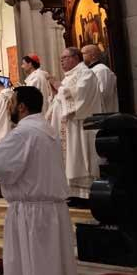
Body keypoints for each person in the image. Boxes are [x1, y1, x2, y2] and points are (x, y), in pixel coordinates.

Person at [0, 86, 86, 275]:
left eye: (12, 103)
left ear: (22, 107)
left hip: (31, 217)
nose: (8, 108)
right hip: (52, 213)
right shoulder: (47, 129)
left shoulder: (22, 133)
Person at [48, 47, 103, 203]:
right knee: (70, 159)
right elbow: (61, 98)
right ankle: (73, 193)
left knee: (78, 158)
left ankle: (85, 195)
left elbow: (79, 97)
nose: (61, 62)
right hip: (68, 126)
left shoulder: (86, 74)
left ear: (75, 58)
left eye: (64, 58)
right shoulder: (69, 77)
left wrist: (59, 87)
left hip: (79, 126)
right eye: (61, 59)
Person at [82, 44, 119, 113]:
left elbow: (103, 93)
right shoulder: (90, 70)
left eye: (83, 53)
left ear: (93, 56)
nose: (81, 57)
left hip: (105, 114)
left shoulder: (102, 70)